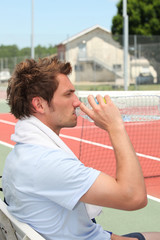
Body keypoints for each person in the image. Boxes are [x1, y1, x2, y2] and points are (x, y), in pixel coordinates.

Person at [2, 57, 160, 240]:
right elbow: (134, 197)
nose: (77, 102)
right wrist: (115, 127)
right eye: (68, 94)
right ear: (39, 104)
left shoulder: (22, 154)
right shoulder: (46, 162)